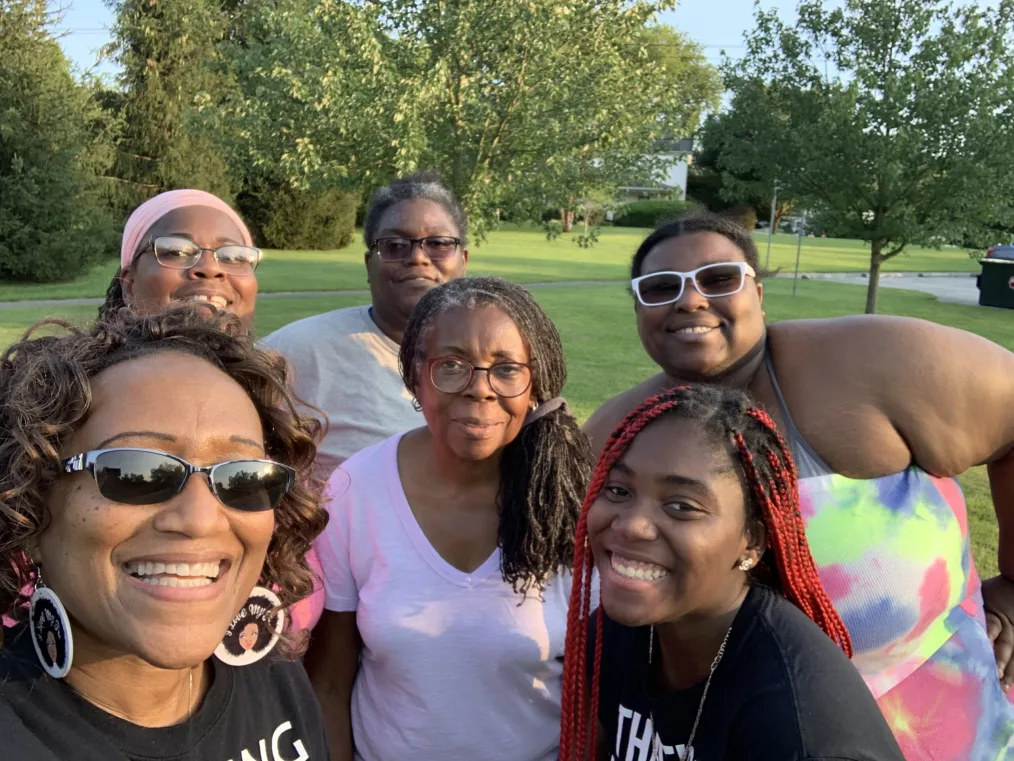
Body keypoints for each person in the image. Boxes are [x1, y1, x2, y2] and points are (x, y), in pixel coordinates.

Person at [584, 213, 1014, 760]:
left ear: (758, 294)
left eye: (718, 279)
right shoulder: (615, 434)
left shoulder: (875, 364)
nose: (690, 301)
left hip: (950, 729)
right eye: (661, 288)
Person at [0, 307, 330, 761]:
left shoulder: (271, 671)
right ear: (30, 510)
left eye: (243, 476)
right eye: (136, 473)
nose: (200, 519)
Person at [305, 277, 594, 761]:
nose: (479, 389)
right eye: (452, 365)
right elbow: (331, 682)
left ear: (535, 384)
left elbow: (598, 698)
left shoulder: (570, 502)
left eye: (506, 370)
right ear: (415, 375)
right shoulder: (357, 490)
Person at [560, 384, 905, 761]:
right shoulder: (617, 636)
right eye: (619, 491)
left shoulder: (795, 729)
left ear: (752, 542)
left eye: (681, 506)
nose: (631, 526)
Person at [261, 172, 470, 480]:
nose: (418, 258)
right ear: (369, 264)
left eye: (438, 243)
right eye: (395, 244)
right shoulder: (297, 350)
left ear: (462, 260)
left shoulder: (497, 360)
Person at [99, 189, 261, 329]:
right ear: (129, 284)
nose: (211, 268)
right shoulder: (86, 366)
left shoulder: (281, 362)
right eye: (177, 251)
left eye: (234, 257)